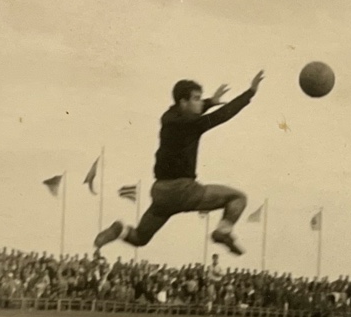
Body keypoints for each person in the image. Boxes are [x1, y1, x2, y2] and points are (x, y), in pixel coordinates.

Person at [95, 71, 265, 256]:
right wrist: (250, 93)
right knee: (238, 198)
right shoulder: (191, 125)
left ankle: (120, 230)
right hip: (183, 190)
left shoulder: (168, 118)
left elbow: (192, 111)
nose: (201, 101)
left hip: (161, 193)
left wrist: (209, 102)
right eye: (197, 98)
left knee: (139, 238)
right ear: (183, 102)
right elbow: (222, 115)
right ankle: (222, 232)